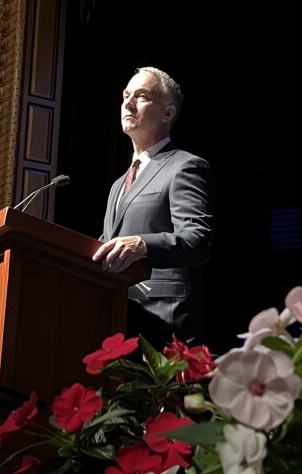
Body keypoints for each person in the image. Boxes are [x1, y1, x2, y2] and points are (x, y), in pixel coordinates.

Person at [92, 66, 215, 347]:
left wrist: (142, 245)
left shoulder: (186, 166)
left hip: (165, 323)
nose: (128, 102)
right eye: (125, 95)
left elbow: (198, 240)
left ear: (168, 113)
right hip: (117, 318)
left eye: (142, 96)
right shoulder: (117, 185)